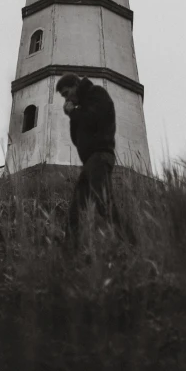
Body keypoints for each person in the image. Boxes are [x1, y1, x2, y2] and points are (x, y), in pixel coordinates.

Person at [56, 72, 135, 247]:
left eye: (67, 93)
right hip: (91, 162)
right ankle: (70, 252)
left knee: (104, 203)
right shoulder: (82, 106)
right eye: (64, 97)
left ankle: (131, 244)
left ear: (77, 85)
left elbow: (91, 120)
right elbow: (77, 137)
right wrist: (73, 115)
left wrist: (73, 114)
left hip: (100, 156)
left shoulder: (97, 94)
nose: (67, 99)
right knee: (76, 209)